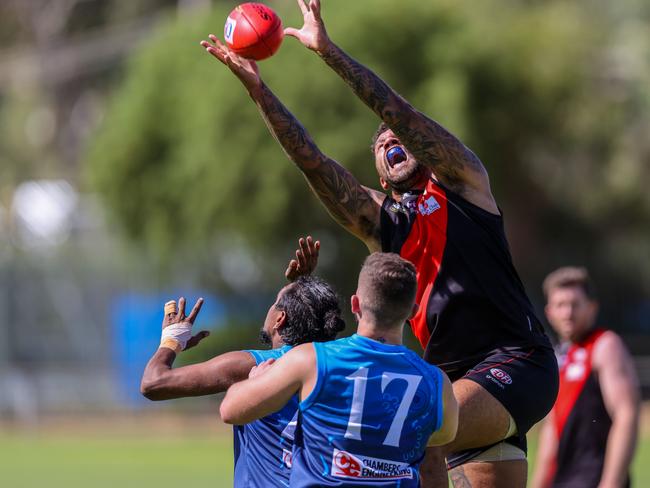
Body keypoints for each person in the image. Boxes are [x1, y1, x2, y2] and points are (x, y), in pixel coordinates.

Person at [200, 0, 558, 485]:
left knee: (414, 430)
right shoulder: (382, 222)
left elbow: (400, 113)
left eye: (401, 138)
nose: (392, 140)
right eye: (381, 145)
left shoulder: (464, 183)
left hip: (515, 361)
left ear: (423, 148)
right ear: (379, 174)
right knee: (429, 435)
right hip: (446, 378)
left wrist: (329, 53)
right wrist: (259, 91)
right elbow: (314, 163)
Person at [220, 252, 458, 486]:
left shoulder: (311, 359)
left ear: (355, 304)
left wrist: (254, 379)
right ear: (413, 312)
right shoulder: (436, 382)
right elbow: (441, 436)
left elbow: (230, 410)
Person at [140, 236, 346, 487]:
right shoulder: (340, 367)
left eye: (274, 303)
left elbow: (153, 383)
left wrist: (172, 341)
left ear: (280, 319)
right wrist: (300, 291)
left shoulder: (252, 366)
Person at [530, 267, 640, 488]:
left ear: (592, 308)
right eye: (561, 305)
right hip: (562, 481)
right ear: (550, 312)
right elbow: (552, 429)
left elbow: (626, 414)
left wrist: (611, 483)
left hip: (593, 479)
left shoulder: (604, 345)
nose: (568, 313)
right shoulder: (558, 357)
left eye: (575, 304)